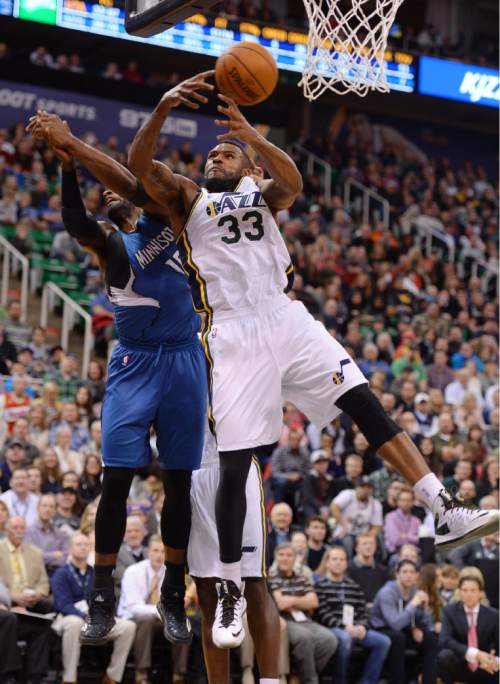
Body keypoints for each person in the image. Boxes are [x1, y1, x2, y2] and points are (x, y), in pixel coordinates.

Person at [46, 73, 500, 649]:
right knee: (236, 464)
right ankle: (232, 588)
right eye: (212, 151)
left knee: (362, 399)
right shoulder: (189, 200)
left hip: (285, 317)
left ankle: (445, 506)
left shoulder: (264, 192)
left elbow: (293, 182)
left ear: (249, 166)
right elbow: (138, 171)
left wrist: (252, 136)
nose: (217, 155)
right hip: (231, 334)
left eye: (227, 151)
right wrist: (160, 109)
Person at [29, 112, 208, 645]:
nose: (109, 199)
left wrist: (79, 148)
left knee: (179, 483)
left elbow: (130, 179)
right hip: (134, 364)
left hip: (183, 359)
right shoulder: (108, 244)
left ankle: (173, 592)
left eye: (116, 196)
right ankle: (102, 596)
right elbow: (75, 222)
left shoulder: (168, 217)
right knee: (116, 481)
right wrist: (66, 166)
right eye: (104, 197)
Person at [188, 427, 283, 684]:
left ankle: (271, 681)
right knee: (207, 589)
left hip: (237, 464)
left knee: (253, 582)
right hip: (193, 468)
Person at [51, 534, 136, 684]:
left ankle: (112, 677)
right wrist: (85, 616)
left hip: (95, 618)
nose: (83, 547)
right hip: (67, 618)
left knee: (128, 626)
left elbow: (105, 599)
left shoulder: (97, 574)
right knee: (74, 623)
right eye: (78, 544)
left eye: (85, 544)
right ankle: (69, 679)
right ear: (70, 549)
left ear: (90, 548)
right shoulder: (61, 573)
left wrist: (100, 615)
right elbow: (62, 605)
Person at [117, 535, 190, 684]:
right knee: (147, 621)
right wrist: (160, 611)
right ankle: (141, 672)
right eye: (155, 550)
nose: (159, 555)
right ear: (148, 552)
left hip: (162, 617)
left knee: (180, 622)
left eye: (163, 551)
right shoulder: (133, 571)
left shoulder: (173, 573)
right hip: (134, 617)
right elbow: (133, 606)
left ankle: (179, 675)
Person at [314, 546, 391, 684]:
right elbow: (322, 614)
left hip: (355, 628)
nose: (338, 562)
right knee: (345, 639)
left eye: (342, 559)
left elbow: (363, 611)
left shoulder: (353, 586)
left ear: (346, 563)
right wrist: (345, 627)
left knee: (383, 642)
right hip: (333, 629)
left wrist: (362, 626)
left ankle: (367, 681)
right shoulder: (320, 585)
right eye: (334, 559)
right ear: (327, 562)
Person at [268, 543, 337, 684]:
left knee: (329, 639)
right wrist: (301, 600)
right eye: (281, 555)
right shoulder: (271, 577)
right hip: (285, 621)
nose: (285, 558)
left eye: (289, 555)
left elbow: (314, 602)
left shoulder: (302, 578)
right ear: (276, 557)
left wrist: (291, 600)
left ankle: (298, 676)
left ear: (295, 559)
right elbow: (281, 603)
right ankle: (311, 680)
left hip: (306, 620)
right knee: (304, 638)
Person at [370, 559, 439, 684]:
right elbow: (395, 624)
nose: (408, 575)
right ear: (397, 574)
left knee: (431, 638)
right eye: (404, 572)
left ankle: (428, 680)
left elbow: (427, 624)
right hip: (382, 629)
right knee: (399, 638)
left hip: (405, 629)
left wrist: (425, 608)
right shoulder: (387, 592)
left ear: (417, 575)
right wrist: (413, 604)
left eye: (412, 572)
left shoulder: (415, 591)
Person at [438, 574, 499, 683]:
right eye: (465, 590)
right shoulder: (449, 611)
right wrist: (475, 654)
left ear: (480, 593)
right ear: (459, 592)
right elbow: (444, 640)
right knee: (444, 655)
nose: (468, 594)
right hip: (461, 663)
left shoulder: (493, 615)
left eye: (473, 590)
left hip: (485, 665)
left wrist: (493, 660)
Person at [0, 576, 52, 684]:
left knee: (38, 626)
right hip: (5, 618)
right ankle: (7, 676)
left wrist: (11, 608)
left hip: (6, 613)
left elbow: (4, 599)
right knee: (9, 619)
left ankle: (36, 677)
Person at [0, 516, 51, 612]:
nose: (19, 531)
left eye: (22, 528)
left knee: (50, 605)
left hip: (31, 599)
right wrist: (12, 595)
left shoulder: (35, 552)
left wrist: (36, 595)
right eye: (15, 528)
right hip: (6, 598)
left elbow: (43, 582)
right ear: (7, 530)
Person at [330, 477, 383, 558]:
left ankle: (374, 566)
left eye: (368, 487)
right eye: (362, 487)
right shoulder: (348, 495)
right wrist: (343, 524)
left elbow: (377, 526)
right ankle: (349, 567)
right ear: (356, 487)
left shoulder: (375, 504)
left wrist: (367, 537)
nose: (365, 490)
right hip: (345, 533)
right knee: (348, 542)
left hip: (363, 535)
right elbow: (334, 506)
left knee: (376, 542)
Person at [25, 493, 69, 575]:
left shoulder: (61, 534)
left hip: (57, 573)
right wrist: (54, 555)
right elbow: (32, 557)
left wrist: (43, 554)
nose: (47, 509)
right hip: (35, 573)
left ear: (55, 510)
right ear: (38, 508)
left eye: (51, 507)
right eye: (44, 506)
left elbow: (65, 557)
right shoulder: (28, 532)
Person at [348, 533, 388, 605]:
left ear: (375, 547)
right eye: (364, 544)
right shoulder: (348, 569)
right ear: (357, 548)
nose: (368, 547)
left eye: (371, 543)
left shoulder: (382, 570)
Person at [384, 486, 421, 557]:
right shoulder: (390, 517)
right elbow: (395, 540)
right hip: (396, 553)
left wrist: (404, 536)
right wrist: (411, 537)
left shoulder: (416, 521)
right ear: (397, 502)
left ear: (413, 502)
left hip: (414, 553)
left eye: (408, 500)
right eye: (403, 500)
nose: (405, 503)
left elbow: (420, 540)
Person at [114, 515, 148, 590]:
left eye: (136, 531)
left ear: (143, 533)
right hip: (125, 595)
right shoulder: (116, 554)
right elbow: (122, 577)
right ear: (123, 535)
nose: (133, 535)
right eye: (129, 531)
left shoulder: (150, 553)